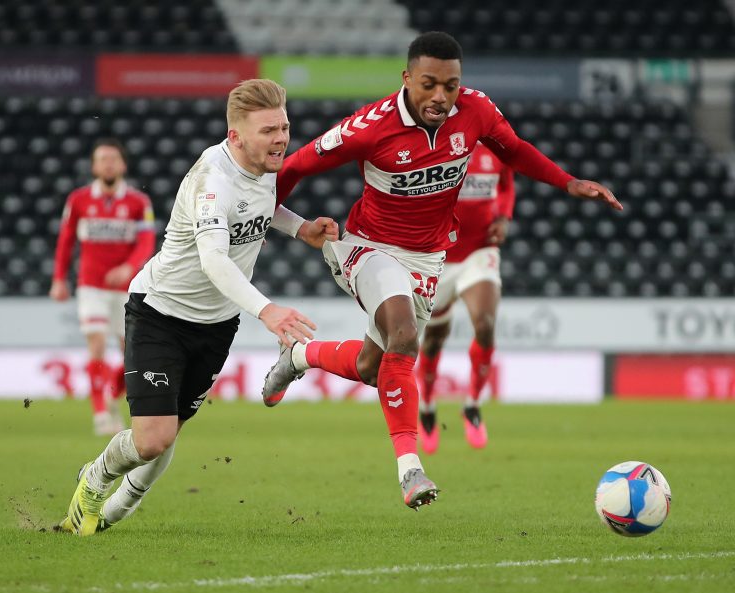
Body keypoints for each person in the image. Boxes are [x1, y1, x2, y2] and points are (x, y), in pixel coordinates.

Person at [262, 31, 622, 510]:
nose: (440, 97)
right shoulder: (369, 126)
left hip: (428, 256)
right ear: (407, 78)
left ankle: (301, 357)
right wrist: (279, 222)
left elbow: (513, 149)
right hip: (367, 246)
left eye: (450, 85)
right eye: (429, 84)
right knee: (406, 337)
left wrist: (568, 181)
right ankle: (410, 470)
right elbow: (296, 166)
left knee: (375, 366)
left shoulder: (475, 110)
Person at [58, 78, 339, 536]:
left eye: (284, 126)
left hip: (215, 325)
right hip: (161, 312)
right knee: (154, 438)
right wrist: (267, 311)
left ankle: (113, 514)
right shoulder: (213, 179)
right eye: (269, 129)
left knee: (170, 430)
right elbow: (214, 259)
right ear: (235, 136)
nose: (281, 138)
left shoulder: (264, 162)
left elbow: (261, 204)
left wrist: (300, 228)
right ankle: (94, 480)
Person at [50, 139, 156, 436]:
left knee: (131, 355)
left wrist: (129, 266)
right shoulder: (79, 200)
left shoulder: (138, 202)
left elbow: (146, 241)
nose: (108, 164)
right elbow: (66, 241)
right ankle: (99, 411)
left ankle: (110, 396)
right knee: (96, 345)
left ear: (123, 164)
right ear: (94, 166)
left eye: (113, 159)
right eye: (102, 159)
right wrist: (59, 278)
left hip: (127, 288)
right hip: (91, 285)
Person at [417, 142, 514, 455]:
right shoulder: (432, 147)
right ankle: (427, 407)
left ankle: (472, 405)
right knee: (433, 340)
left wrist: (504, 218)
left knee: (485, 324)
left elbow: (506, 186)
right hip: (437, 256)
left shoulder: (497, 149)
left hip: (479, 251)